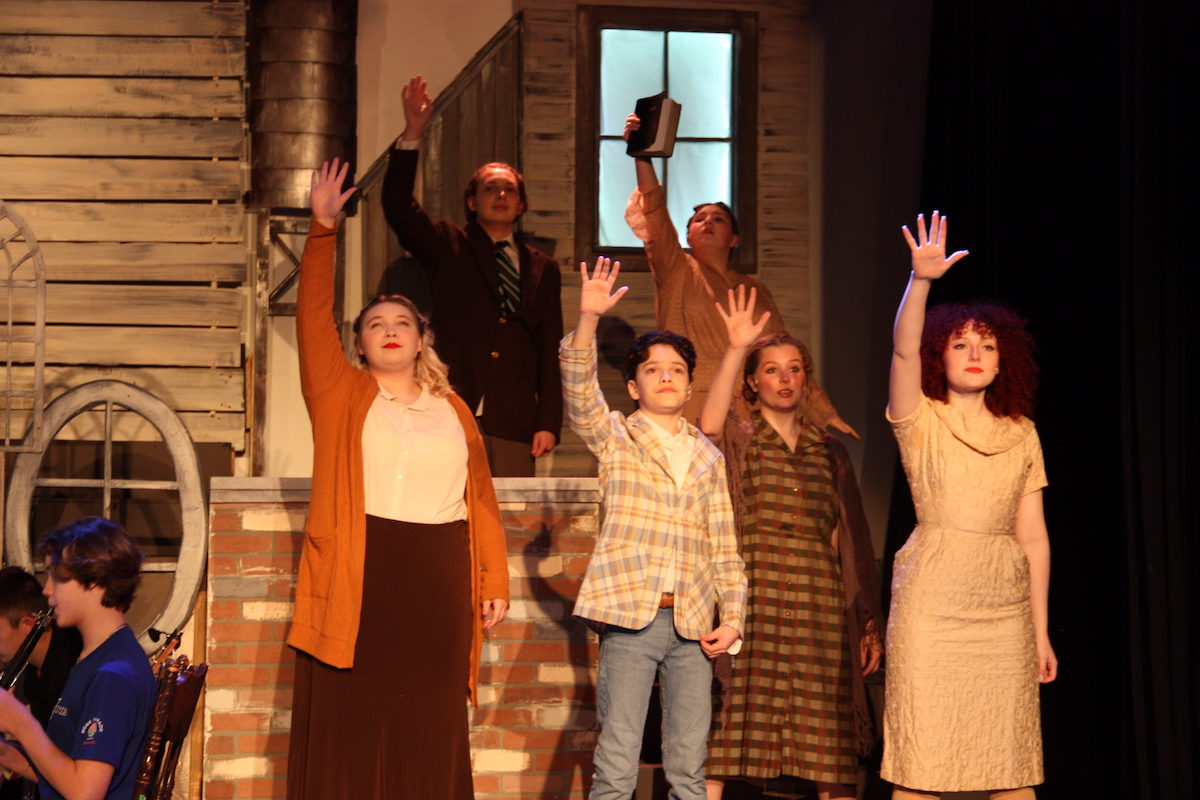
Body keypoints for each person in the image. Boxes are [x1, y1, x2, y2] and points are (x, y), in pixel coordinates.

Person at [285, 159, 509, 800]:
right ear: (358, 344)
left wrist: (492, 576)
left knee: (428, 720)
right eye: (375, 325)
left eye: (402, 324)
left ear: (422, 340)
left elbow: (482, 501)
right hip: (361, 567)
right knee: (352, 721)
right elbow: (310, 319)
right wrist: (322, 229)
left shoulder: (454, 409)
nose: (388, 331)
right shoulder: (339, 393)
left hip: (436, 573)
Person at [881, 212, 1057, 798]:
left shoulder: (1021, 432)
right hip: (933, 605)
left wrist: (1041, 632)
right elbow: (904, 354)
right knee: (920, 764)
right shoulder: (921, 420)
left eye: (987, 345)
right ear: (943, 355)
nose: (975, 352)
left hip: (1002, 614)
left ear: (1004, 359)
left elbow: (1033, 538)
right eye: (961, 343)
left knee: (1011, 766)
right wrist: (921, 282)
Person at [561, 256, 747, 800]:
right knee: (617, 763)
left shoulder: (707, 458)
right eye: (652, 369)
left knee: (688, 768)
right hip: (632, 618)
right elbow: (579, 396)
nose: (665, 376)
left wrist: (732, 618)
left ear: (689, 385)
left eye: (676, 370)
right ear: (635, 387)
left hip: (693, 625)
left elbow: (726, 550)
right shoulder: (617, 436)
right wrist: (589, 318)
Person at [697, 287, 884, 800]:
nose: (785, 378)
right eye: (773, 369)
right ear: (754, 382)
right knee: (728, 734)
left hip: (818, 606)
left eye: (795, 368)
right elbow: (708, 427)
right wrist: (736, 349)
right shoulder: (742, 437)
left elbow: (848, 541)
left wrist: (865, 621)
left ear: (807, 378)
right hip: (752, 596)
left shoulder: (831, 452)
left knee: (828, 742)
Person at [623, 114, 855, 436]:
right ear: (688, 236)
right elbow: (656, 214)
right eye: (699, 219)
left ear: (733, 238)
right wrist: (642, 156)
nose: (707, 222)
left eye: (717, 219)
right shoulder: (678, 269)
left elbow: (781, 349)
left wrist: (822, 411)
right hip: (694, 402)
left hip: (751, 409)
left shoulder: (753, 288)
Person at [381, 75, 564, 476]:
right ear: (471, 200)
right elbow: (397, 206)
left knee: (509, 521)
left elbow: (550, 347)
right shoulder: (450, 244)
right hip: (449, 403)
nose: (500, 196)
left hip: (514, 417)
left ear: (521, 205)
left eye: (509, 190)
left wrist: (549, 420)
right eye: (490, 189)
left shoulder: (543, 267)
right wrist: (414, 132)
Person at [0, 517, 155, 800]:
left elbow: (84, 792)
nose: (47, 589)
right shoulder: (93, 658)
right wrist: (8, 754)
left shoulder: (113, 674)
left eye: (57, 577)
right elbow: (66, 772)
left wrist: (21, 722)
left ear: (93, 581)